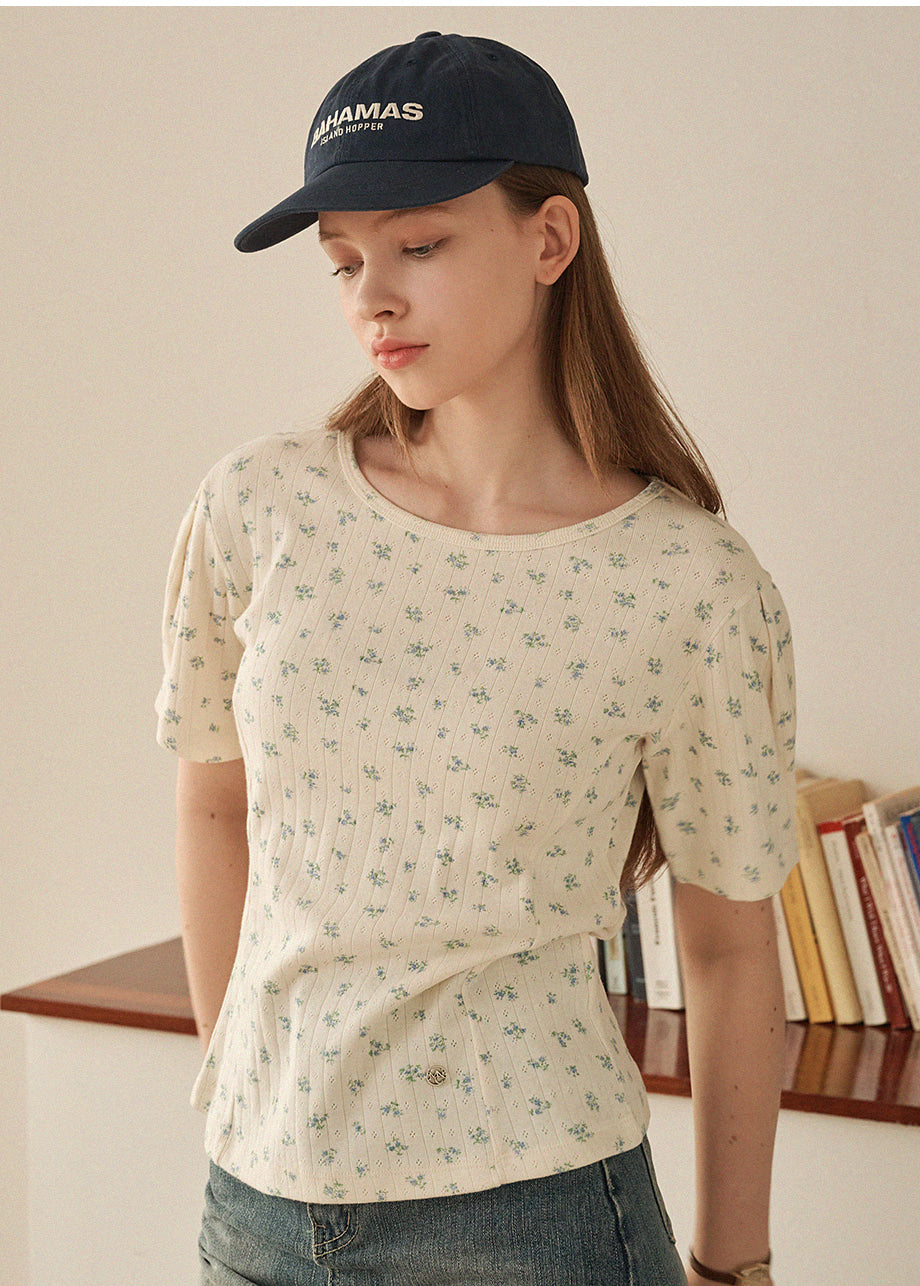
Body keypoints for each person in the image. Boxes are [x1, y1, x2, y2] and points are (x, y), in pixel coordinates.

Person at [156, 32, 795, 1286]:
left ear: (549, 240)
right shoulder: (258, 507)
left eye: (420, 245)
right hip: (255, 1206)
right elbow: (214, 803)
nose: (371, 298)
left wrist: (733, 1264)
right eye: (344, 259)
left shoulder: (684, 582)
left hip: (533, 1219)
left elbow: (727, 947)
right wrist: (237, 1080)